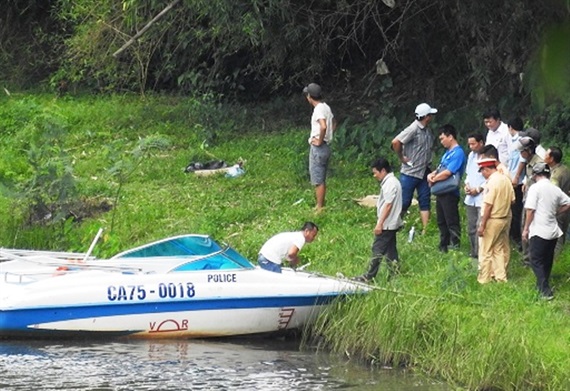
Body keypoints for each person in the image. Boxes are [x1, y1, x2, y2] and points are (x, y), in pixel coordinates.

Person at [522, 163, 570, 300]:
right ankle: (542, 284)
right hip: (553, 231)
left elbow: (530, 210)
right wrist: (556, 212)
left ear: (535, 175)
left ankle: (545, 290)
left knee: (535, 259)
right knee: (547, 259)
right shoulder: (554, 189)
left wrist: (526, 229)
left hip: (539, 230)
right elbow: (568, 203)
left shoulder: (535, 188)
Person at [353, 157, 403, 282]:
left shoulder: (390, 183)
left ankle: (369, 276)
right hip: (392, 223)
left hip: (387, 224)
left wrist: (379, 223)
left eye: (375, 172)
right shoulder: (392, 182)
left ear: (383, 171)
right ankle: (395, 272)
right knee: (391, 250)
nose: (375, 175)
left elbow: (388, 204)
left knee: (377, 249)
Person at [391, 103, 436, 234]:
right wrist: (401, 157)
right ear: (426, 116)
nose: (432, 117)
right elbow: (396, 142)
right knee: (405, 201)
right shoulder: (413, 129)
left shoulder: (426, 130)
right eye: (430, 115)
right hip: (410, 172)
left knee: (425, 199)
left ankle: (425, 229)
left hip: (424, 170)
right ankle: (395, 223)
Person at [427, 124, 466, 253]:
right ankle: (443, 244)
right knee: (441, 219)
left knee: (451, 219)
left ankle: (454, 244)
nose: (441, 141)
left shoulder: (458, 152)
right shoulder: (446, 154)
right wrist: (432, 174)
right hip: (441, 191)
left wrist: (435, 179)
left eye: (443, 138)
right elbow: (440, 168)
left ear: (450, 137)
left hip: (450, 191)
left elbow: (449, 172)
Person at [477, 158, 515, 284]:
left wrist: (482, 225)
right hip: (504, 218)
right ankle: (501, 277)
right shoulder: (505, 179)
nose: (482, 174)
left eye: (482, 171)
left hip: (493, 219)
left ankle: (484, 278)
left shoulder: (492, 182)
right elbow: (512, 200)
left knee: (485, 251)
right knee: (498, 249)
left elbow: (488, 205)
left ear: (486, 169)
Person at [303, 83, 335, 212]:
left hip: (319, 147)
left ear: (310, 97)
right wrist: (328, 137)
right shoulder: (326, 107)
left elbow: (323, 126)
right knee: (321, 177)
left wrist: (320, 140)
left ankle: (319, 207)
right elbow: (333, 122)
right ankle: (320, 204)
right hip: (326, 146)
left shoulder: (318, 110)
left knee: (318, 179)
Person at [517, 136, 544, 264]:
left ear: (528, 150)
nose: (520, 154)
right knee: (524, 226)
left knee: (529, 228)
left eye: (522, 151)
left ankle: (530, 259)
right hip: (527, 198)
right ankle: (527, 256)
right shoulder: (529, 162)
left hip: (535, 201)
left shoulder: (539, 163)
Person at [544, 146, 570, 258]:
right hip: (566, 208)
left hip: (558, 210)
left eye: (546, 154)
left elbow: (552, 194)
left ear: (552, 159)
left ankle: (555, 261)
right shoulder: (565, 169)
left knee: (557, 238)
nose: (544, 156)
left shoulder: (555, 175)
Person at [464, 133, 486, 259]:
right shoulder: (471, 156)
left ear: (481, 143)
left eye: (474, 144)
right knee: (471, 226)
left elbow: (489, 177)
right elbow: (468, 174)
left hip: (481, 196)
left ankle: (481, 253)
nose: (471, 147)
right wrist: (466, 185)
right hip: (470, 197)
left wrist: (478, 189)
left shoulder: (487, 156)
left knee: (480, 225)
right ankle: (474, 252)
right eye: (470, 144)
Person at [506, 117, 525, 250]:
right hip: (512, 178)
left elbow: (522, 160)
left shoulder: (519, 140)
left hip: (516, 181)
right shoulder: (513, 140)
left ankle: (517, 238)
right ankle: (514, 236)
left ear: (510, 127)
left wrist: (517, 177)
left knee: (516, 210)